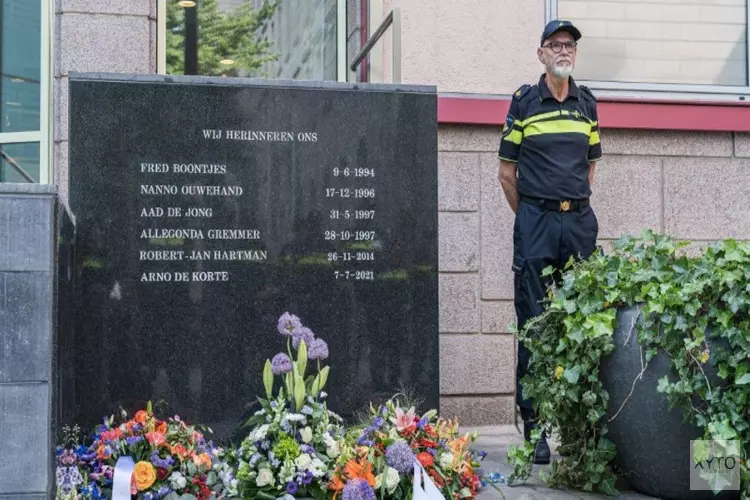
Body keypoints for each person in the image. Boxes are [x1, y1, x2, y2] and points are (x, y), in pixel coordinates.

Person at [497, 19, 602, 464]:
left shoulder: (587, 104)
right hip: (536, 221)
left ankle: (579, 431)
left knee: (584, 325)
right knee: (536, 325)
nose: (564, 51)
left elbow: (591, 166)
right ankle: (536, 429)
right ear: (541, 53)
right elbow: (507, 173)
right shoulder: (524, 103)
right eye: (556, 45)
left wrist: (569, 208)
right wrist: (533, 216)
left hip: (577, 223)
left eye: (570, 45)